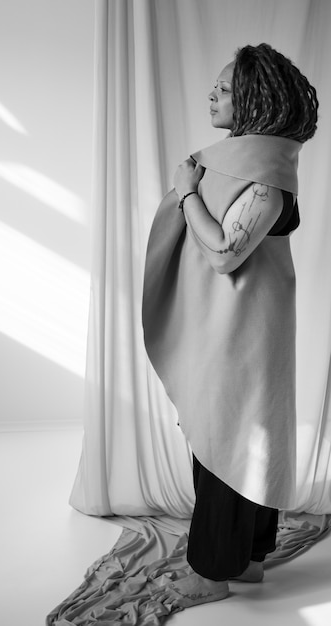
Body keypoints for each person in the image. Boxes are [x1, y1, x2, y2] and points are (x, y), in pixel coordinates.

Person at [142, 43, 318, 608]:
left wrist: (187, 189)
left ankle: (212, 572)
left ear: (255, 100)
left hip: (243, 335)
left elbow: (223, 254)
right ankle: (246, 560)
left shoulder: (267, 179)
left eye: (225, 87)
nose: (212, 95)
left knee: (224, 446)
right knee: (248, 440)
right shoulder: (246, 163)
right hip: (240, 327)